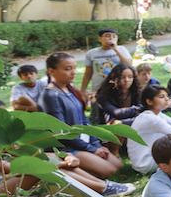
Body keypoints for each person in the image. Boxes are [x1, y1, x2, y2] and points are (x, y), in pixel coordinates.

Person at [38, 53, 125, 184]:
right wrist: (91, 149)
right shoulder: (50, 95)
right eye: (68, 69)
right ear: (51, 71)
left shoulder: (70, 90)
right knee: (110, 171)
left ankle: (86, 168)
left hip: (82, 142)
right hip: (66, 148)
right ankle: (71, 171)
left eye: (74, 68)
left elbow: (84, 120)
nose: (73, 72)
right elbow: (62, 132)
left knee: (118, 166)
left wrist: (96, 145)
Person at [129, 85, 171, 175]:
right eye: (161, 97)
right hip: (145, 164)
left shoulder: (156, 114)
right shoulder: (150, 118)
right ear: (149, 101)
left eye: (167, 96)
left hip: (145, 160)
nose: (167, 99)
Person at [80, 28, 133, 102]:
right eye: (107, 36)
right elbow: (88, 73)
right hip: (98, 89)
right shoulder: (92, 53)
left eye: (114, 36)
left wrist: (115, 49)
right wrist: (82, 92)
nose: (111, 38)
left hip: (118, 88)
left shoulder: (122, 50)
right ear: (100, 38)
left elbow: (129, 65)